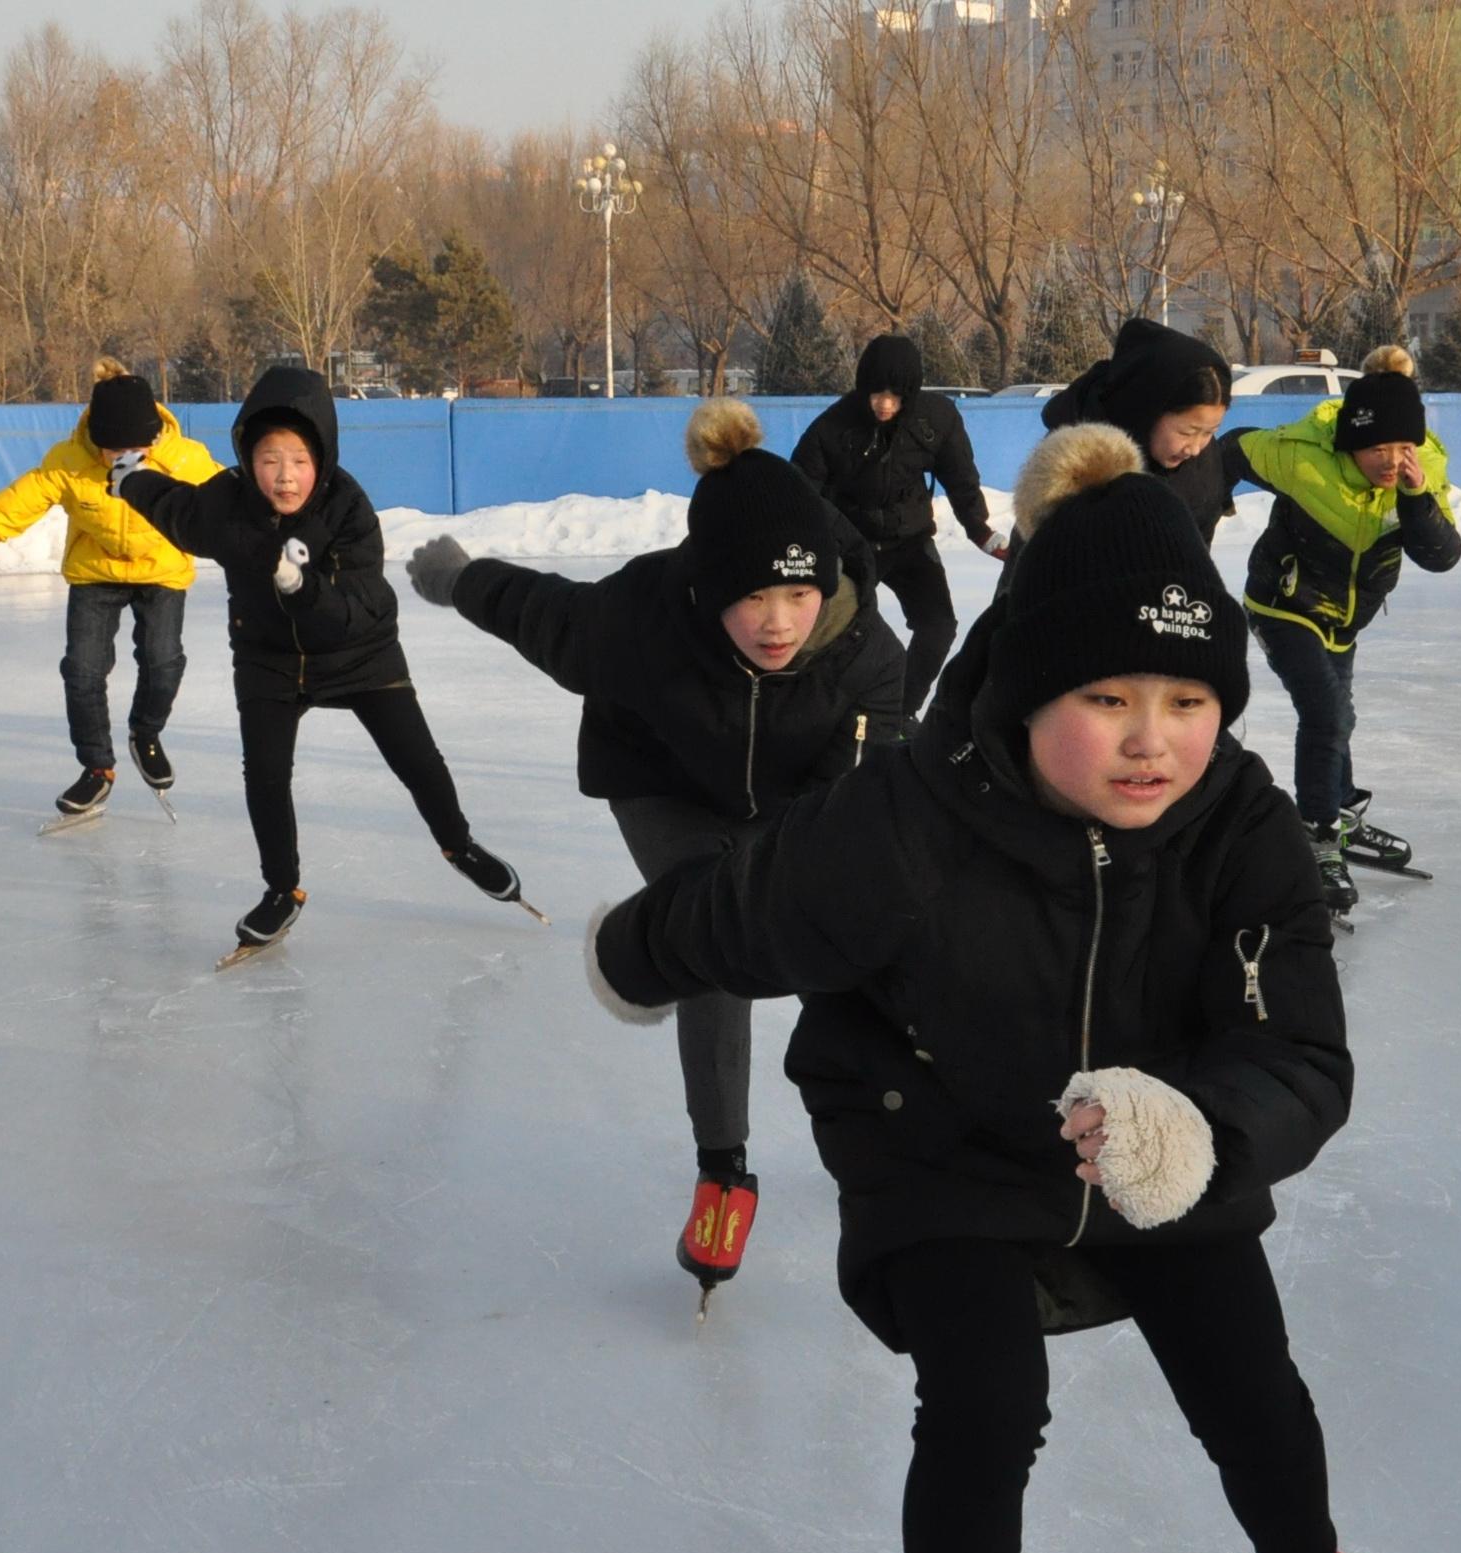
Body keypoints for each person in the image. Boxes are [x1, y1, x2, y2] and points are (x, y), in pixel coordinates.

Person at [589, 424, 1461, 1553]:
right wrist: (637, 949)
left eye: (1186, 698)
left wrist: (1199, 1128)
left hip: (1151, 1147)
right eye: (1105, 697)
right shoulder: (909, 819)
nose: (1150, 738)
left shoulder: (1235, 826)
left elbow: (1299, 1048)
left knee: (1248, 1374)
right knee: (986, 1401)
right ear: (1020, 695)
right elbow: (757, 905)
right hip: (937, 1144)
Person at [403, 399, 905, 1306]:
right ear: (710, 586)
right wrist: (457, 577)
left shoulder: (864, 652)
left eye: (798, 593)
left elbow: (876, 796)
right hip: (662, 784)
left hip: (797, 800)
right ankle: (724, 1169)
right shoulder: (635, 620)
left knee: (859, 936)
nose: (779, 621)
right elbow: (536, 610)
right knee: (709, 928)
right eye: (752, 595)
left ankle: (889, 1133)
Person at [111, 364, 528, 949]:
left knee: (417, 759)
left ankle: (459, 845)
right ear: (247, 460)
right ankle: (282, 889)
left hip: (360, 652)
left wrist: (296, 585)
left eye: (299, 462)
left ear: (321, 459)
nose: (285, 478)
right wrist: (129, 480)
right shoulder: (228, 504)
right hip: (268, 659)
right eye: (270, 461)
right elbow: (176, 511)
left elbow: (346, 613)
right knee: (265, 774)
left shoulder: (348, 509)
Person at [1227, 344, 1461, 913]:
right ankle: (1317, 833)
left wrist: (1413, 498)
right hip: (1284, 604)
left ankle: (1340, 812)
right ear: (1351, 443)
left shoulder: (1420, 472)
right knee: (1326, 714)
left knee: (1340, 713)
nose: (1391, 460)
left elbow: (1442, 555)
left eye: (1402, 446)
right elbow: (1230, 451)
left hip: (1344, 617)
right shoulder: (1302, 457)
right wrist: (1203, 511)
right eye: (1377, 448)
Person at [0, 357, 220, 818]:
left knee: (164, 661)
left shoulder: (184, 458)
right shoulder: (69, 462)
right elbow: (12, 508)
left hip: (161, 570)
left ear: (154, 438)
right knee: (81, 671)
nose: (123, 461)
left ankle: (145, 731)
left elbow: (228, 504)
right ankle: (97, 767)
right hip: (96, 573)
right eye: (113, 453)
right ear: (95, 442)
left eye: (134, 451)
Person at [792, 334, 1008, 722]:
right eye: (876, 393)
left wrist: (980, 531)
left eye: (895, 395)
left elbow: (961, 479)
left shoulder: (936, 419)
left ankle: (897, 714)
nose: (885, 404)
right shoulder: (833, 427)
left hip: (910, 542)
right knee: (835, 633)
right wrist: (820, 546)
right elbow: (801, 491)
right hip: (852, 547)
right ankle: (819, 715)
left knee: (939, 626)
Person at [1032, 314, 1236, 547]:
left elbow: (1199, 552)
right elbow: (1032, 569)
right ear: (1147, 412)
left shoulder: (1203, 464)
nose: (1196, 448)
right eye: (1187, 432)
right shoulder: (1072, 461)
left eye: (1209, 432)